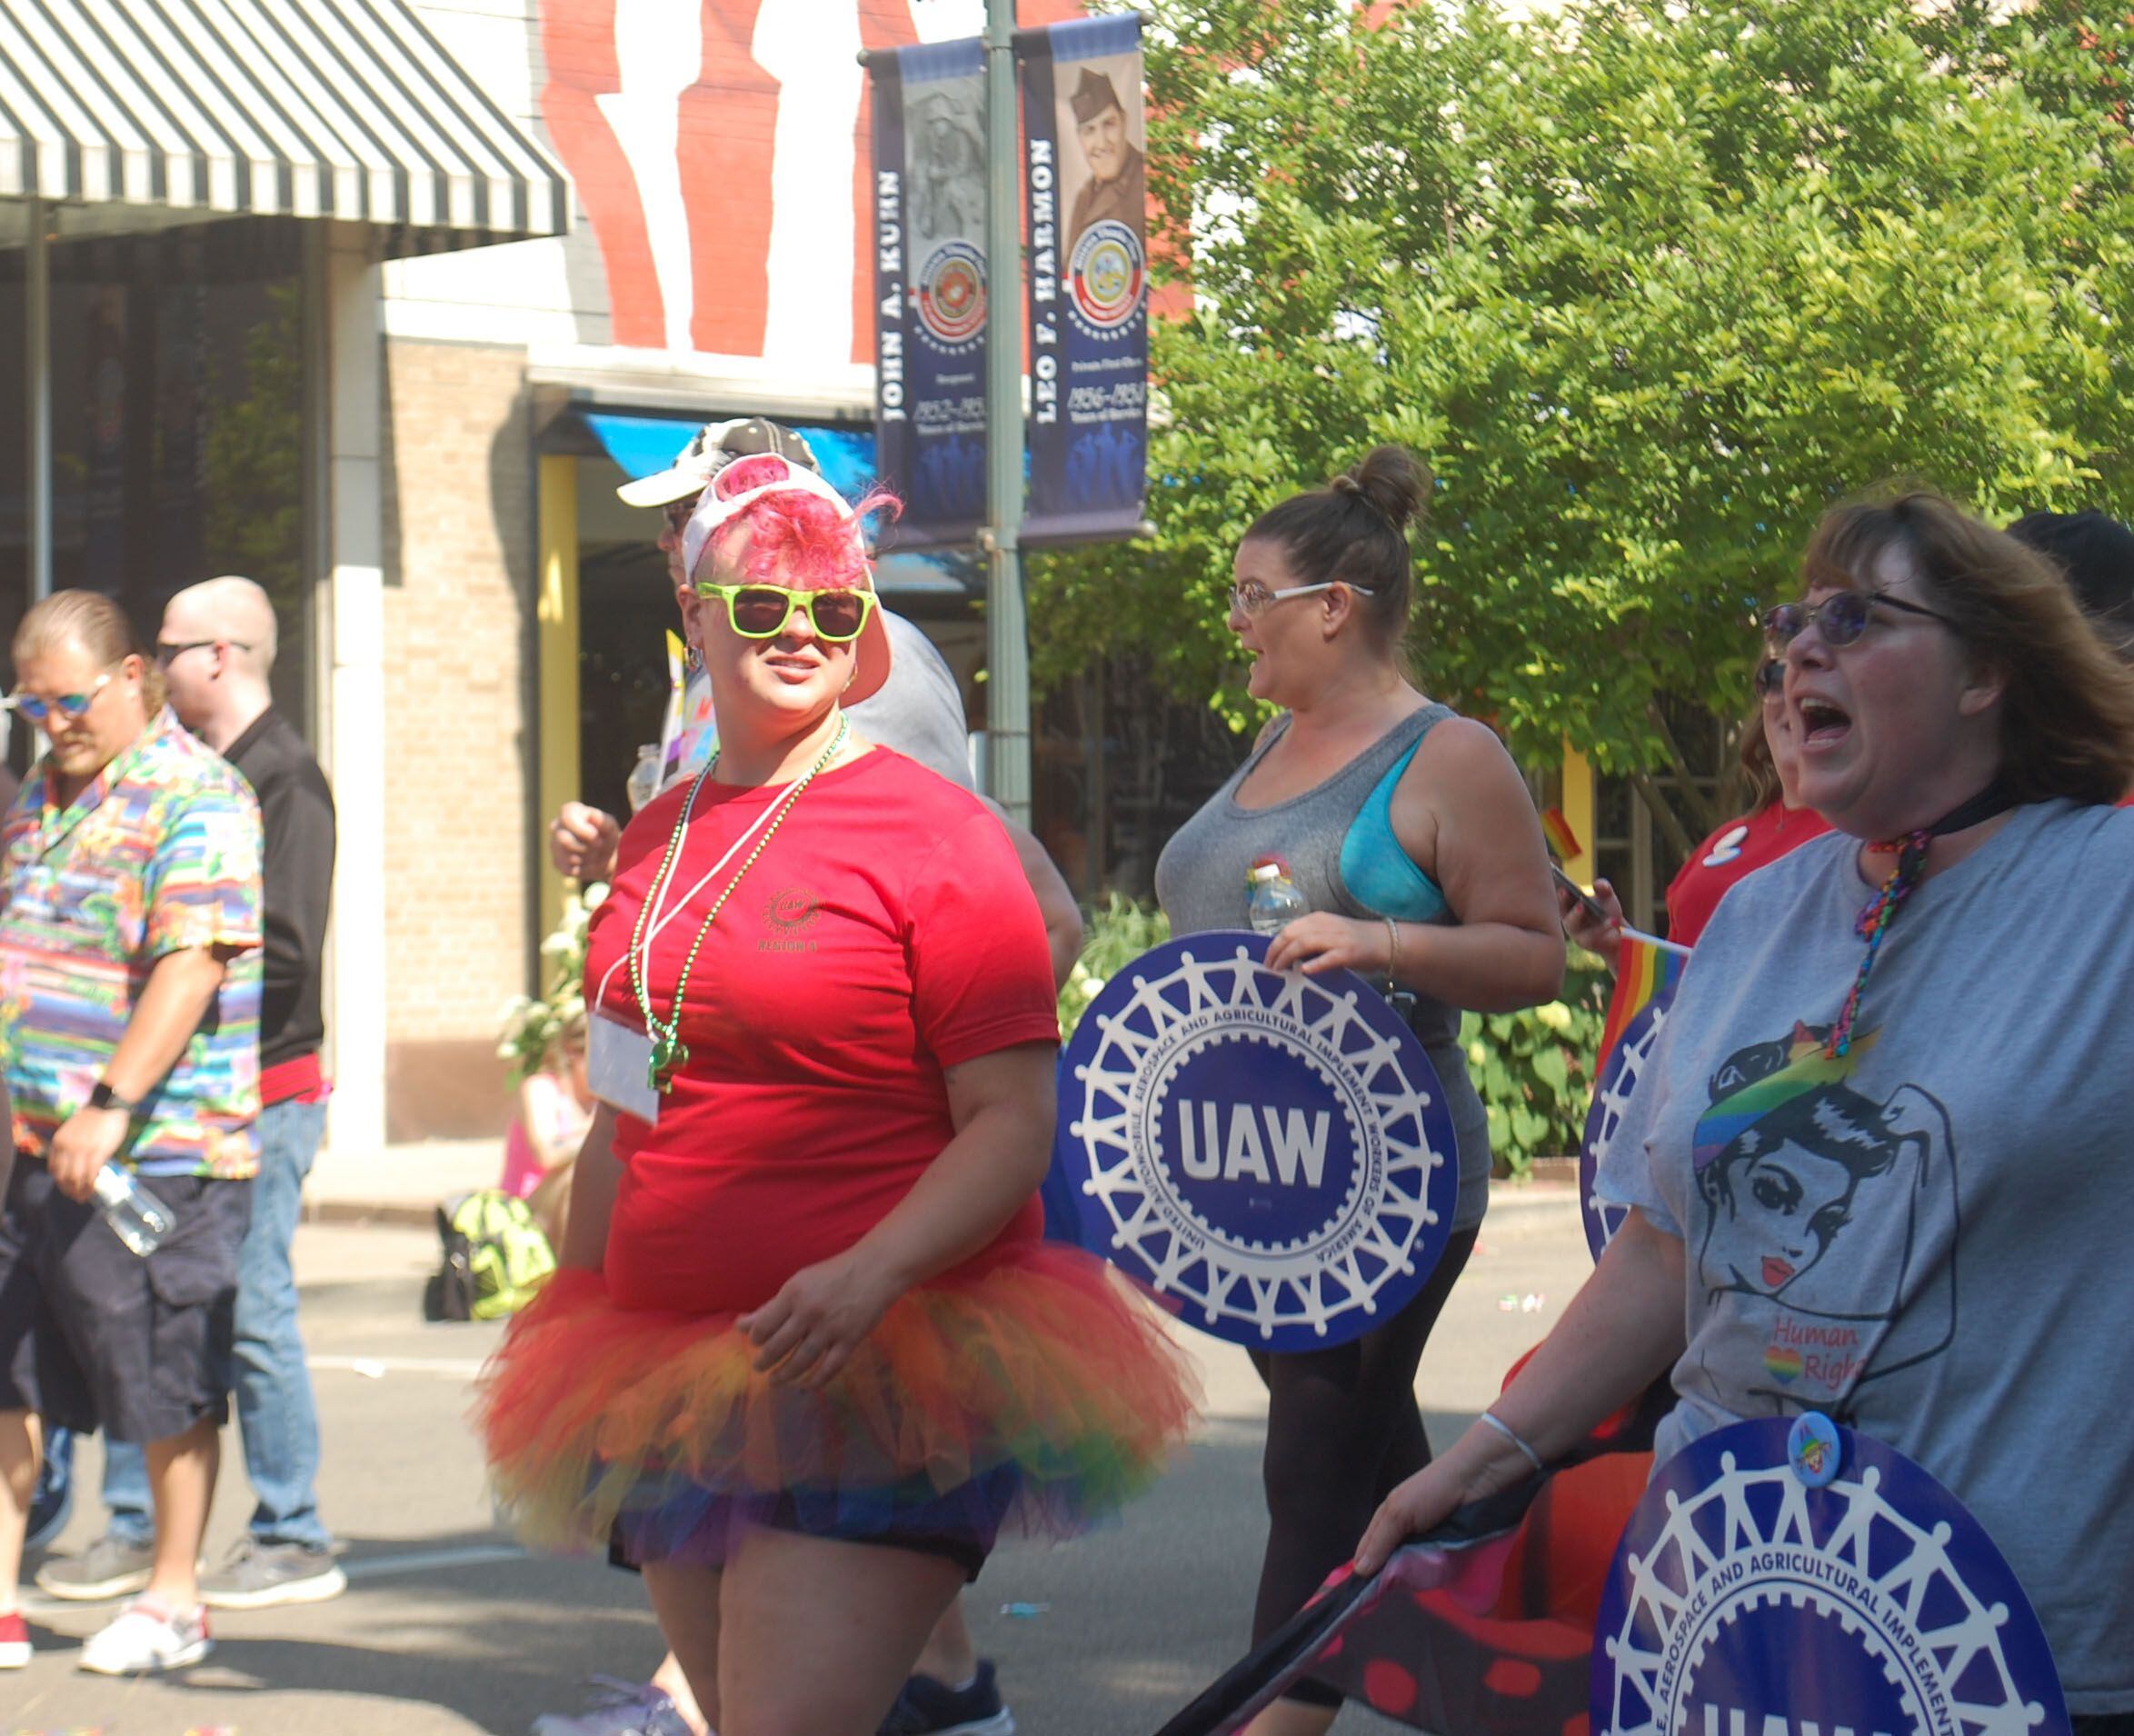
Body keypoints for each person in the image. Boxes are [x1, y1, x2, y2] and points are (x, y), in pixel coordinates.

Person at [1357, 493, 2134, 1733]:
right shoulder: (1761, 913)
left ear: (1988, 669)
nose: (1798, 650)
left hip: (2004, 1650)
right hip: (1719, 1617)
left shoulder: (2110, 892)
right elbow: (1669, 1249)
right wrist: (1484, 1454)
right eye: (1792, 620)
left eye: (1856, 616)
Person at [488, 454, 1188, 1735]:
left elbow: (1011, 1123)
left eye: (833, 605)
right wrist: (573, 1314)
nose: (798, 631)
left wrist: (867, 1276)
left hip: (874, 1362)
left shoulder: (940, 835)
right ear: (695, 618)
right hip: (670, 1364)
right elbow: (627, 1106)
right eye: (760, 606)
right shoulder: (660, 836)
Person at [1153, 447, 1564, 1736]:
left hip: (1387, 1176)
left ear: (1333, 604)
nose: (1235, 618)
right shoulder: (1274, 739)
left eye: (1251, 593)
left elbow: (1534, 949)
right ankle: (1530, 1675)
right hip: (1248, 1173)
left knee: (1314, 1470)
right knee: (1377, 1464)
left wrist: (1385, 942)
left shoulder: (1449, 755)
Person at [31, 578, 344, 1615]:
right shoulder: (79, 783)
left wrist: (133, 1067)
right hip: (114, 1109)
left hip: (241, 1094)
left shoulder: (272, 781)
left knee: (229, 1314)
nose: (159, 663)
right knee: (108, 1324)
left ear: (214, 654)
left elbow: (272, 953)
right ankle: (130, 1528)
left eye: (167, 645)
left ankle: (289, 1526)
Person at [0, 590, 264, 1675]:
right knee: (8, 1379)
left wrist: (108, 1105)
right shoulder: (33, 795)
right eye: (29, 700)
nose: (50, 719)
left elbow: (192, 960)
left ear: (128, 680)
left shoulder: (194, 794)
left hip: (156, 1154)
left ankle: (173, 1593)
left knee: (161, 1379)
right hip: (26, 1142)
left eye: (68, 698)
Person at [1563, 667, 1830, 962]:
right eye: (1777, 677)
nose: (1793, 692)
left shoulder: (1873, 845)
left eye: (1814, 671)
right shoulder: (1726, 840)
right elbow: (1678, 997)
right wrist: (1617, 947)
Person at [1064, 67, 1146, 255]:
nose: (1101, 143)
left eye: (1109, 124)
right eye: (1089, 131)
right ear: (1079, 138)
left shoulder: (1144, 180)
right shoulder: (1084, 197)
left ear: (1124, 121)